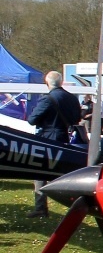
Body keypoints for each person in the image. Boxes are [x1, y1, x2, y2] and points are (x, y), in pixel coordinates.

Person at [25, 71, 83, 218]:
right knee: (63, 172)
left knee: (39, 172)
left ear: (47, 83)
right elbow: (77, 118)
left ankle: (40, 207)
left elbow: (32, 119)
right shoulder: (71, 98)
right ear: (61, 82)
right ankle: (76, 205)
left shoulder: (47, 99)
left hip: (47, 137)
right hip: (63, 136)